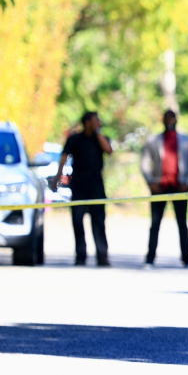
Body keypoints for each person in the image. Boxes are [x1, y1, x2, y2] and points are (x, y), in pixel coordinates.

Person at [140, 110, 188, 268]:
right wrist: (151, 182)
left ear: (176, 120)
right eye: (167, 118)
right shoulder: (153, 140)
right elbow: (144, 163)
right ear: (163, 120)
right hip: (159, 186)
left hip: (180, 186)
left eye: (172, 118)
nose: (169, 121)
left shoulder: (187, 140)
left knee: (182, 223)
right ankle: (150, 259)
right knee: (155, 223)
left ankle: (186, 259)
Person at [52, 112, 112, 266]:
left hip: (97, 185)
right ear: (87, 123)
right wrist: (57, 179)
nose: (99, 122)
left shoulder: (100, 139)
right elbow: (64, 157)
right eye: (96, 120)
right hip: (79, 185)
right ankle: (80, 255)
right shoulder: (74, 139)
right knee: (78, 220)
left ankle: (102, 255)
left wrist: (98, 133)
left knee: (98, 221)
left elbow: (109, 150)